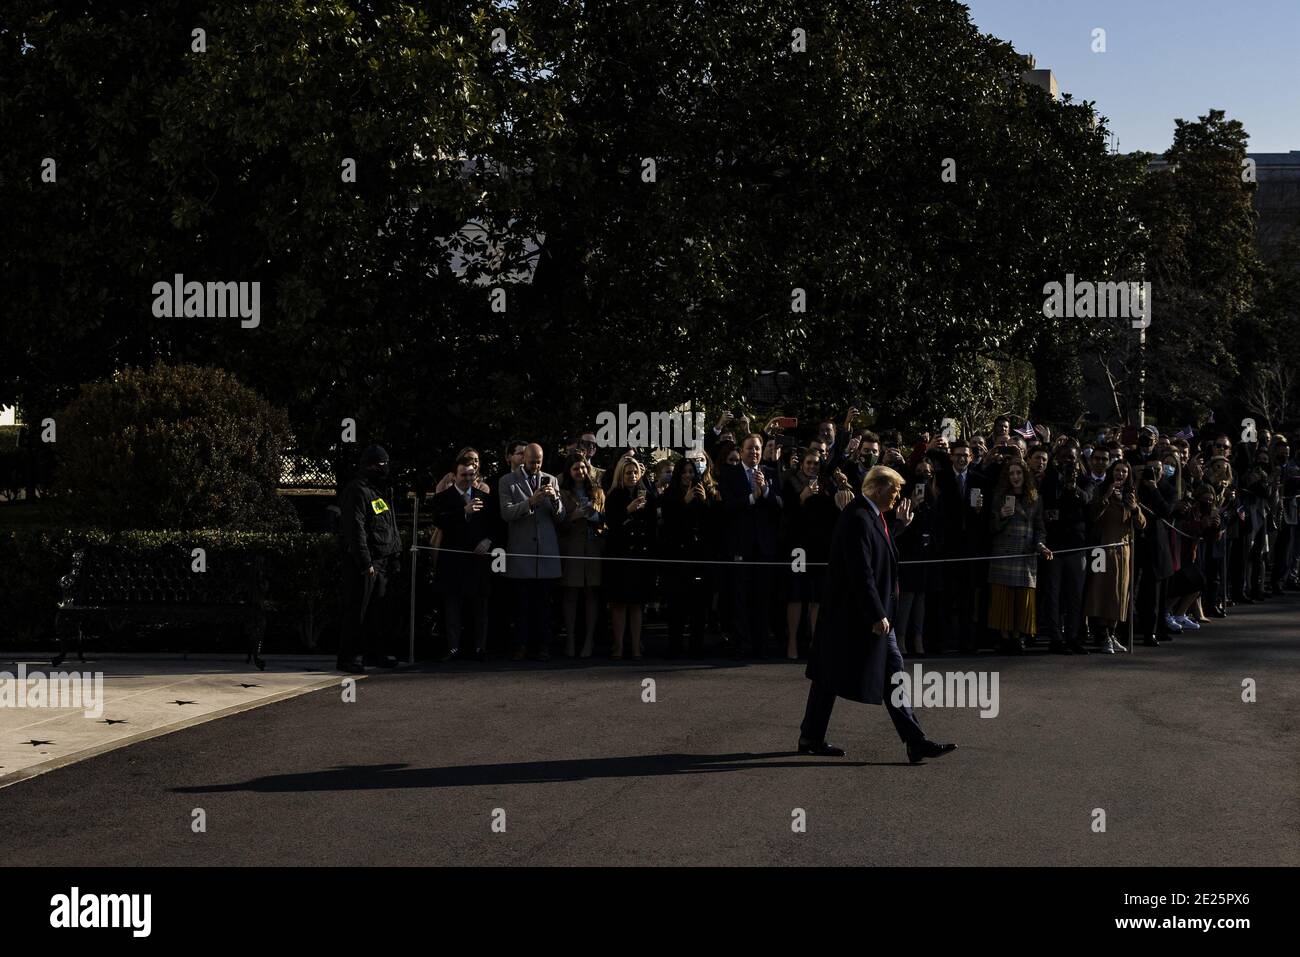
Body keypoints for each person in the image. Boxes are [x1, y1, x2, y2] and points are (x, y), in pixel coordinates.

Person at [798, 466, 957, 764]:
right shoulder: (858, 517)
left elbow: (879, 549)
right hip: (857, 617)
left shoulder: (870, 515)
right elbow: (861, 570)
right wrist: (876, 612)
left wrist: (898, 527)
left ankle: (914, 740)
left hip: (861, 616)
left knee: (878, 672)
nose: (898, 496)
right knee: (829, 675)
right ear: (878, 488)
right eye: (895, 489)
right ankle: (812, 736)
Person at [337, 444, 402, 673]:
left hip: (383, 560)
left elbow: (389, 525)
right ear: (369, 465)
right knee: (358, 610)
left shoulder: (381, 490)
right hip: (365, 563)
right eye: (379, 464)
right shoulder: (357, 490)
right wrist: (365, 562)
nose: (383, 468)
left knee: (379, 611)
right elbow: (356, 530)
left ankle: (376, 653)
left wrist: (395, 553)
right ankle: (350, 657)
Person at [499, 442, 566, 661]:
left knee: (544, 607)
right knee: (521, 606)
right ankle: (519, 645)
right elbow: (506, 513)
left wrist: (555, 500)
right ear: (523, 459)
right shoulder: (507, 481)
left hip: (546, 555)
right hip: (521, 555)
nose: (535, 466)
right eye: (531, 462)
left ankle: (543, 646)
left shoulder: (552, 480)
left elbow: (561, 517)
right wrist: (530, 501)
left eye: (539, 462)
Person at [719, 433, 784, 657]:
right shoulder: (729, 474)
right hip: (740, 546)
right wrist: (752, 497)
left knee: (763, 597)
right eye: (750, 449)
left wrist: (764, 491)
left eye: (757, 448)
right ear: (742, 450)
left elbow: (780, 504)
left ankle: (760, 645)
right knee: (740, 597)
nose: (754, 452)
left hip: (765, 548)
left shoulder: (772, 473)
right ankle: (740, 644)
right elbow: (727, 507)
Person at [433, 453, 498, 660]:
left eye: (472, 474)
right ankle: (453, 647)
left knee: (480, 607)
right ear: (454, 475)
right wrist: (464, 511)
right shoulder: (443, 498)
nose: (468, 479)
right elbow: (440, 521)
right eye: (464, 475)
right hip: (453, 562)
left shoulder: (484, 497)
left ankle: (479, 647)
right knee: (452, 607)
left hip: (478, 561)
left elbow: (495, 525)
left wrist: (488, 540)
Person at [987, 459, 1052, 653]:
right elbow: (991, 528)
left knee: (1022, 600)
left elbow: (1040, 528)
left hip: (1026, 554)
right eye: (1011, 474)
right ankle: (1004, 637)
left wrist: (1041, 546)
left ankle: (1018, 637)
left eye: (1019, 473)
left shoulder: (1035, 498)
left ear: (1025, 475)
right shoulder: (999, 497)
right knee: (1003, 598)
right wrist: (1002, 516)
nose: (1015, 477)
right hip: (1003, 553)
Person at [1083, 460, 1145, 654]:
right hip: (1101, 550)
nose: (1120, 474)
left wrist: (1135, 509)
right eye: (1117, 470)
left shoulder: (1130, 495)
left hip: (1123, 552)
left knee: (1120, 593)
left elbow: (1142, 524)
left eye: (1124, 471)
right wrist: (1107, 497)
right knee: (1100, 591)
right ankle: (1100, 635)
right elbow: (1092, 516)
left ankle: (1112, 632)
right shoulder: (1101, 491)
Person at [780, 448, 837, 660]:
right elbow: (785, 515)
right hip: (797, 546)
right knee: (796, 595)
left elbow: (832, 513)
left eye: (816, 463)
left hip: (821, 548)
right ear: (802, 464)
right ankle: (792, 642)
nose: (812, 467)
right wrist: (801, 499)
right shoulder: (791, 483)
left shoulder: (826, 484)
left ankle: (815, 642)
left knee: (817, 597)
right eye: (809, 463)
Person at [660, 453, 718, 657]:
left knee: (699, 607)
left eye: (691, 472)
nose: (688, 475)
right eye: (684, 472)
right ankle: (675, 645)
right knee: (677, 606)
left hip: (700, 557)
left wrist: (705, 502)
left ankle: (697, 646)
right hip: (677, 557)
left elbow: (713, 525)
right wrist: (683, 503)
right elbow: (669, 526)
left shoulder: (705, 493)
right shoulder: (669, 495)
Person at [1038, 442, 1092, 654]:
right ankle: (1055, 638)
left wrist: (1073, 488)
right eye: (1063, 457)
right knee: (1053, 594)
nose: (1068, 461)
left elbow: (1088, 499)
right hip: (1054, 546)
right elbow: (1046, 504)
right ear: (1057, 459)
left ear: (1077, 458)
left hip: (1077, 546)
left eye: (1071, 458)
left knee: (1075, 595)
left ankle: (1073, 637)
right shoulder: (1049, 479)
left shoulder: (1085, 480)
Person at [603, 454, 656, 659]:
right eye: (628, 473)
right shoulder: (614, 495)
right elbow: (612, 524)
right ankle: (617, 647)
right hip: (620, 556)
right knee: (619, 604)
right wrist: (628, 510)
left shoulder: (647, 495)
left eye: (635, 472)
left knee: (637, 604)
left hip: (640, 557)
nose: (632, 476)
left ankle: (635, 647)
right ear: (621, 475)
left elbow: (651, 527)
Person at [557, 452, 605, 658]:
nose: (580, 471)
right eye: (576, 468)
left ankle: (588, 642)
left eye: (583, 467)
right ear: (569, 471)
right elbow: (556, 523)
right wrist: (572, 516)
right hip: (571, 550)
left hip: (593, 550)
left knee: (591, 597)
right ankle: (570, 641)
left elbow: (606, 522)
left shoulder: (598, 492)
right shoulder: (562, 492)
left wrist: (595, 516)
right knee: (570, 596)